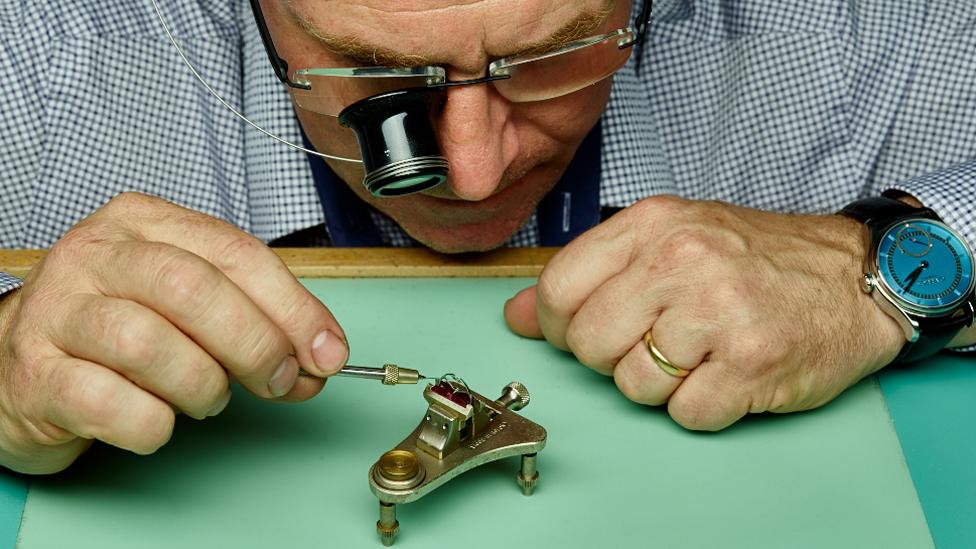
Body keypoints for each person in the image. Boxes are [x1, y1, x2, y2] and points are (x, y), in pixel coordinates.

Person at [0, 0, 974, 475]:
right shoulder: (37, 44)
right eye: (371, 71)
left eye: (554, 56)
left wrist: (880, 263)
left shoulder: (862, 24)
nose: (469, 171)